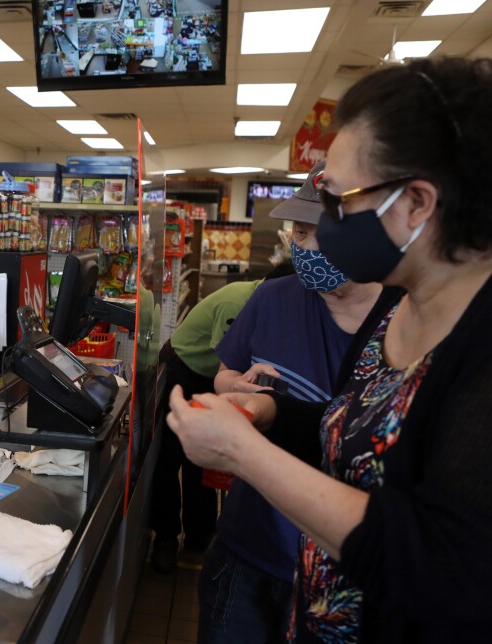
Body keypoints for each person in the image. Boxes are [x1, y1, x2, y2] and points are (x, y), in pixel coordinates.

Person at [168, 56, 492, 642]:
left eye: (340, 201)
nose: (325, 226)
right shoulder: (403, 307)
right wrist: (269, 413)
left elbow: (446, 564)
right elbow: (354, 439)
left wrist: (245, 454)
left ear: (417, 204)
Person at [198, 161, 382, 643]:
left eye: (313, 231)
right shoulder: (273, 297)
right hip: (249, 548)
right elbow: (225, 375)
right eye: (296, 232)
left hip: (343, 575)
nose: (302, 246)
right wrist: (237, 392)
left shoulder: (403, 320)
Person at [149, 261, 295, 574]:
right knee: (170, 457)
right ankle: (165, 539)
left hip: (213, 378)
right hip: (184, 371)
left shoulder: (269, 305)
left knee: (202, 463)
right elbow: (229, 358)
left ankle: (198, 542)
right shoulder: (238, 302)